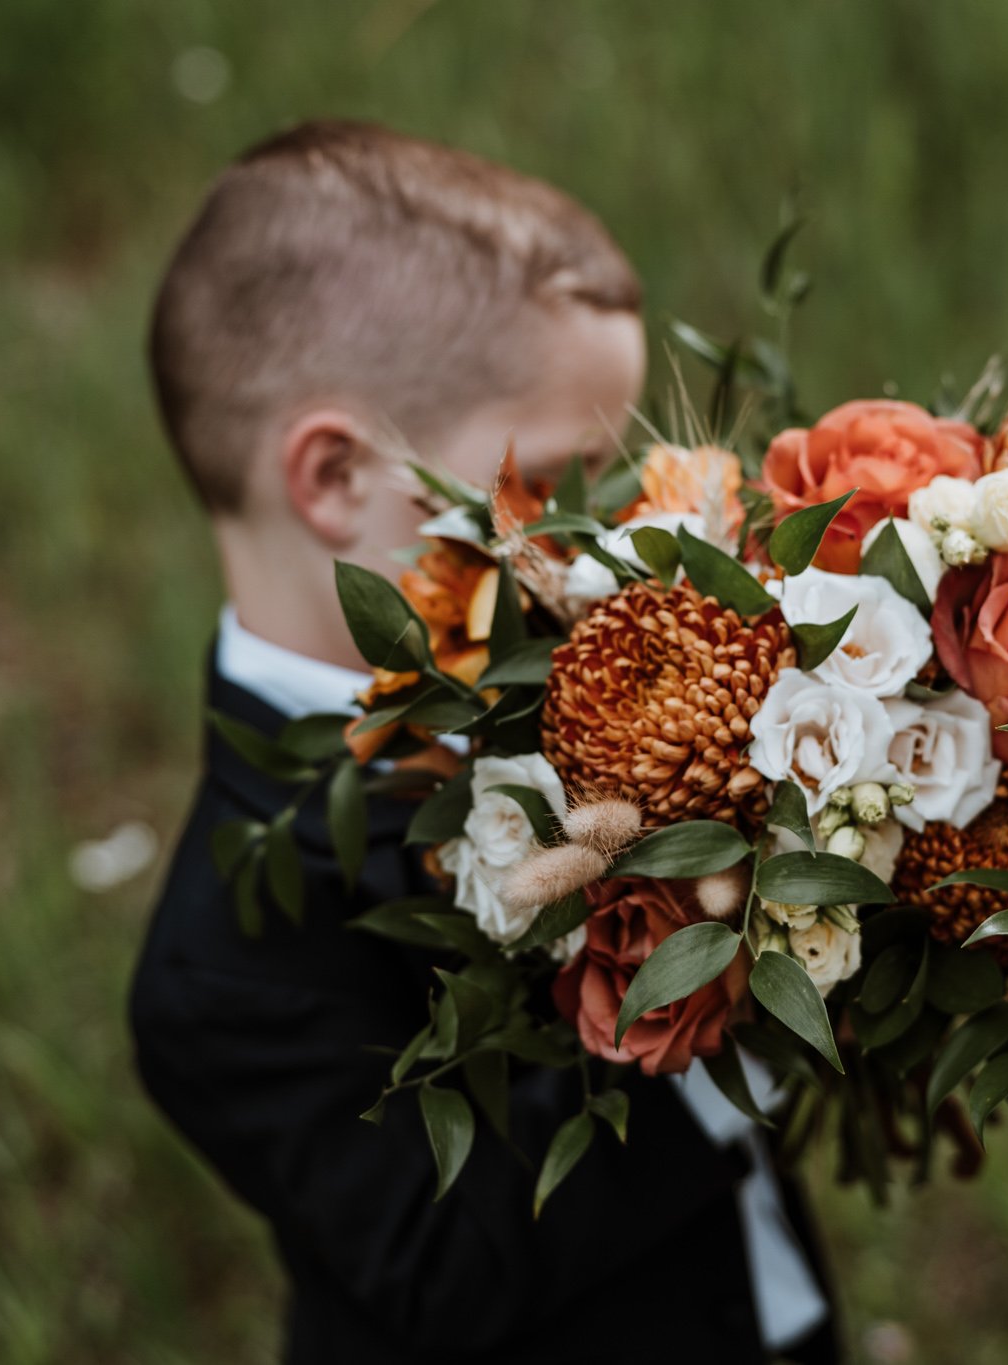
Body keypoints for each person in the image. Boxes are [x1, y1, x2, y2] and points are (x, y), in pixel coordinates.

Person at [128, 119, 839, 1364]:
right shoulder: (222, 970)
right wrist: (763, 997)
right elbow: (447, 1270)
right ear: (337, 477)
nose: (596, 547)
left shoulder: (580, 666)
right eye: (551, 487)